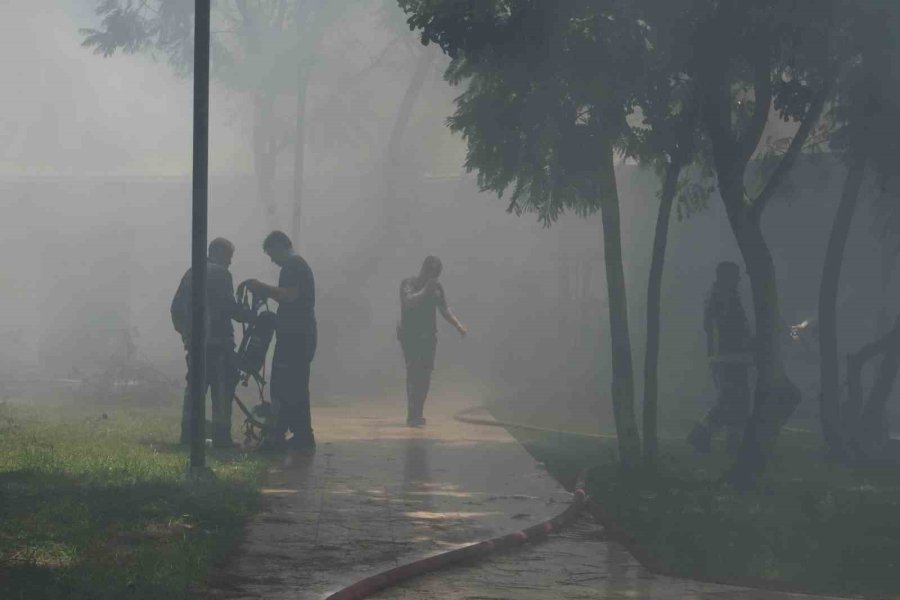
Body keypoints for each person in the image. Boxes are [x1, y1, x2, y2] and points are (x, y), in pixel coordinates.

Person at [171, 237, 249, 448]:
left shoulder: (191, 273)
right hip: (218, 344)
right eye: (229, 257)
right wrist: (246, 314)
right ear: (220, 253)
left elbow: (175, 308)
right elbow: (229, 308)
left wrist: (187, 335)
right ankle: (221, 438)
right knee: (221, 391)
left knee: (195, 389)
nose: (230, 262)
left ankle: (187, 436)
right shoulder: (221, 274)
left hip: (196, 345)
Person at [245, 231, 317, 452]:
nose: (272, 260)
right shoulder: (297, 265)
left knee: (283, 385)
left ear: (280, 246)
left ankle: (279, 435)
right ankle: (302, 435)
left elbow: (289, 295)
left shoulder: (293, 266)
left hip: (295, 337)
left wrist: (262, 288)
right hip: (300, 335)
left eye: (271, 254)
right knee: (295, 386)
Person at [687, 261, 753, 456]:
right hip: (728, 356)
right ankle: (702, 434)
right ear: (726, 277)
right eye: (735, 276)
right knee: (731, 399)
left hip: (730, 356)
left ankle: (730, 441)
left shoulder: (722, 297)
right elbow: (726, 329)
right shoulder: (722, 298)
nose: (738, 280)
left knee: (736, 400)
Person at [397, 256, 467, 427]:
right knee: (414, 373)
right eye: (431, 272)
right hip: (410, 335)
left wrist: (458, 325)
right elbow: (408, 302)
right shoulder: (408, 283)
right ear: (424, 270)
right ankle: (412, 415)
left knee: (426, 375)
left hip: (429, 336)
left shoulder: (437, 287)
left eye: (436, 274)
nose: (433, 277)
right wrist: (425, 291)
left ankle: (419, 412)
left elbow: (444, 309)